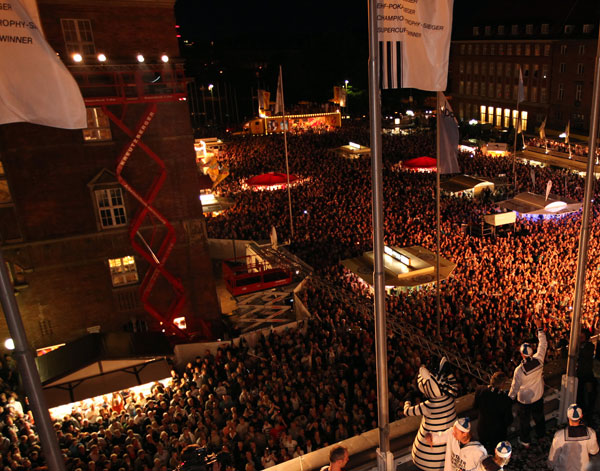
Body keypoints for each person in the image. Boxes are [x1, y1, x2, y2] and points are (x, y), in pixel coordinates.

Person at [508, 316, 547, 448]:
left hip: (524, 400)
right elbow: (543, 344)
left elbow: (514, 388)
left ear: (522, 354)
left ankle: (525, 441)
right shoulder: (539, 360)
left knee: (524, 421)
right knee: (539, 417)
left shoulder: (519, 371)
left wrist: (509, 399)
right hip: (538, 396)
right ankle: (541, 436)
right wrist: (539, 328)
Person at [548, 404, 599, 471]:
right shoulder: (591, 433)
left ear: (568, 417)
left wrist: (550, 466)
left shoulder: (559, 435)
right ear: (581, 416)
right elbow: (594, 451)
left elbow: (552, 458)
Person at [474, 372, 513, 452]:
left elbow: (475, 406)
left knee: (483, 451)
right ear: (502, 384)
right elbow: (508, 419)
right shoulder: (504, 399)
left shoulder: (480, 390)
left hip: (482, 428)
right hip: (497, 432)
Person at [577, 328, 596, 420]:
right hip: (580, 373)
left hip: (587, 372)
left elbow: (586, 354)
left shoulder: (590, 346)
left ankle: (590, 412)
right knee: (580, 394)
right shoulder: (578, 346)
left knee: (590, 393)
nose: (580, 338)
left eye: (582, 337)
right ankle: (583, 410)